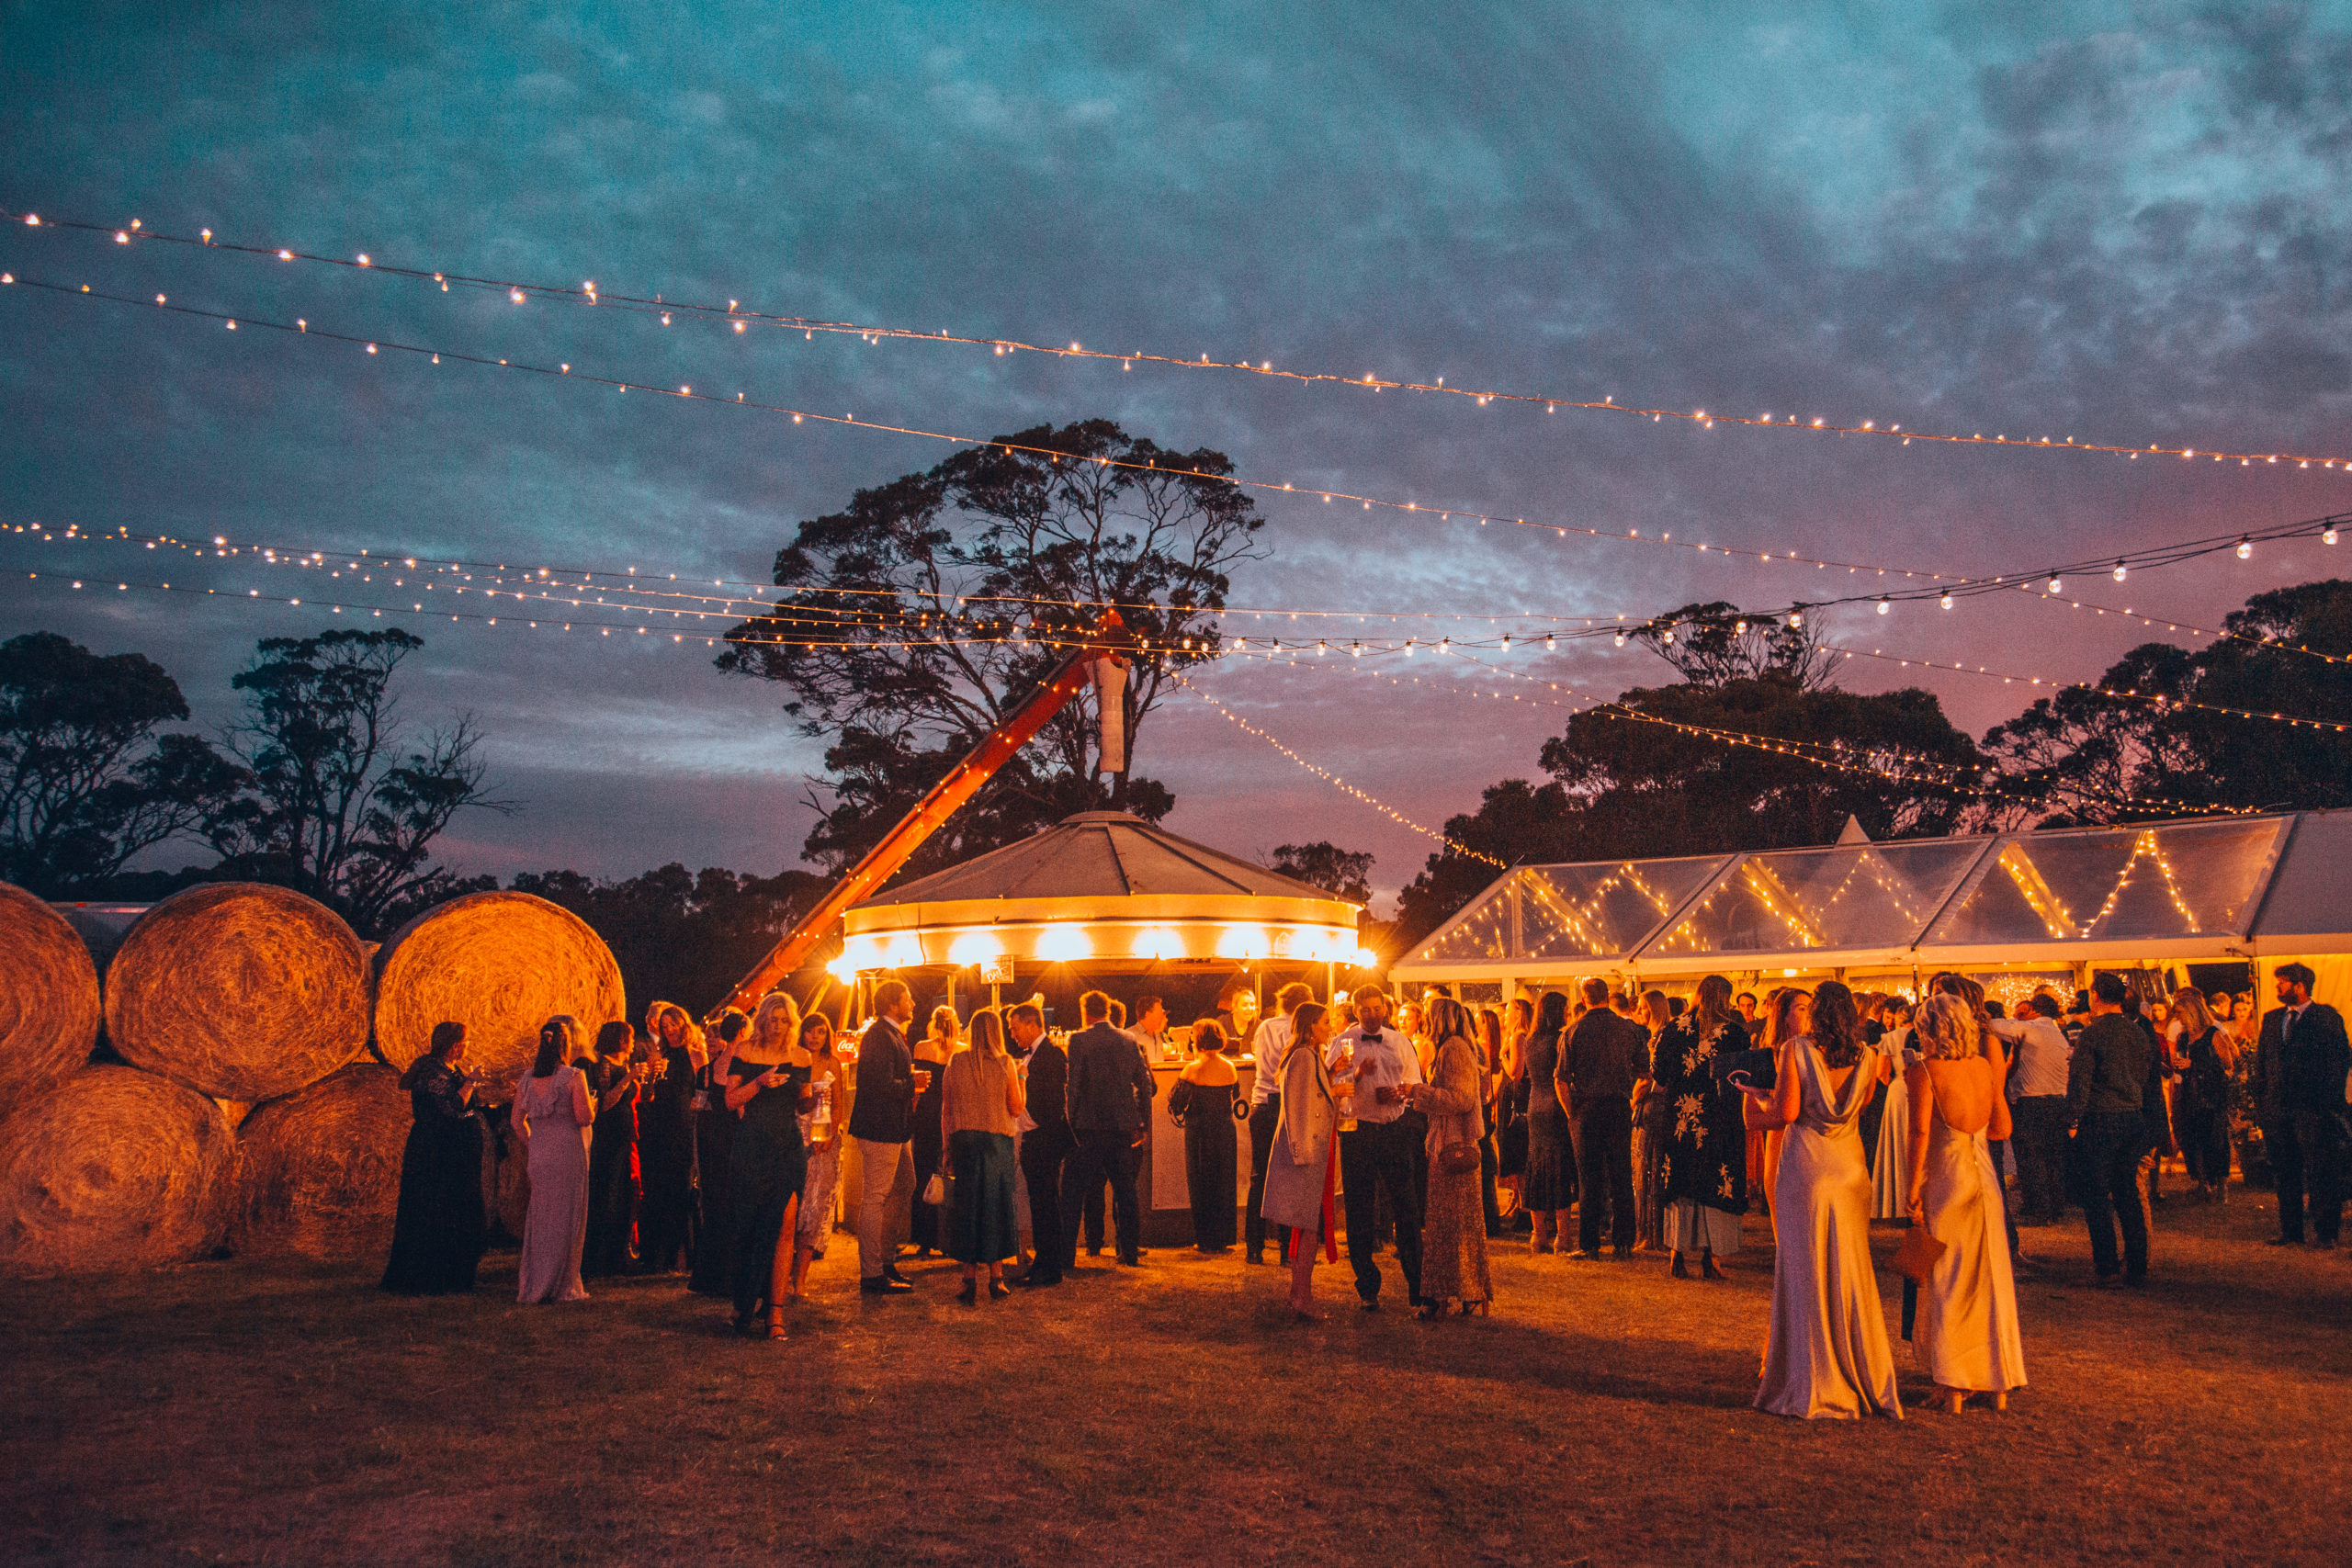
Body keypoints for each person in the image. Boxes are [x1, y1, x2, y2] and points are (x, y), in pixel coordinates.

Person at [1751, 984, 1900, 1420]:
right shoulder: (1868, 1057)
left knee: (1806, 1269)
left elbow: (1788, 1113)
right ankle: (1862, 1369)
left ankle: (1812, 1376)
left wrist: (1755, 1102)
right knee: (1851, 1269)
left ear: (1816, 1012)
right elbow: (1861, 1107)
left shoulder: (1795, 1049)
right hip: (1851, 1170)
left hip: (1808, 1168)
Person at [1904, 995, 2027, 1413]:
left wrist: (1911, 1187)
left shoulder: (1925, 1071)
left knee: (1949, 1277)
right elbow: (2002, 1127)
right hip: (1983, 1178)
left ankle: (1953, 1383)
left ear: (1929, 1030)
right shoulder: (1985, 1068)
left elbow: (1920, 1133)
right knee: (1990, 1275)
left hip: (1946, 1176)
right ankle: (1997, 1382)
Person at [723, 993, 813, 1338]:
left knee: (784, 1228)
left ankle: (775, 1314)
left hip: (787, 1149)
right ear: (762, 1020)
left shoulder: (800, 1056)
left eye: (784, 1019)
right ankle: (744, 1304)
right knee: (748, 1227)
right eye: (772, 1019)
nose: (778, 1025)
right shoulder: (745, 1051)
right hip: (751, 1147)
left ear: (792, 1022)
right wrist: (758, 1083)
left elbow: (802, 1105)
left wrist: (816, 1099)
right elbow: (730, 1101)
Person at [1330, 986, 1426, 1310]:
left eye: (1377, 1008)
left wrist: (1399, 1094)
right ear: (1355, 1011)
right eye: (1365, 1009)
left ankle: (1417, 1284)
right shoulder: (1342, 1043)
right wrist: (1356, 1075)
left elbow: (1415, 1084)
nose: (1372, 1014)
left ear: (1385, 1010)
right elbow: (1333, 1090)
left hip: (1394, 1130)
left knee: (1407, 1208)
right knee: (1359, 1210)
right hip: (1358, 1132)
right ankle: (1367, 1286)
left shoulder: (1400, 1041)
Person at [1653, 976, 1752, 1280]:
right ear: (1726, 998)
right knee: (1715, 1180)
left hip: (1681, 1116)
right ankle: (1713, 1256)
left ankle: (1676, 1253)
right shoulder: (1735, 1033)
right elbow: (1745, 1076)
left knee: (1682, 1181)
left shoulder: (1672, 1030)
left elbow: (1659, 1074)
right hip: (1720, 1118)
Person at [381, 1021, 490, 1294]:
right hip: (436, 1152)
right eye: (466, 1042)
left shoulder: (450, 1070)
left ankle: (455, 1271)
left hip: (456, 1152)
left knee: (459, 1208)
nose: (468, 1047)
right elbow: (451, 1107)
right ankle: (430, 1275)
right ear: (454, 1046)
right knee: (435, 1207)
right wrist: (471, 1083)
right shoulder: (431, 1072)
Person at [2253, 962, 2351, 1249]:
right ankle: (2291, 1230)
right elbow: (2263, 1063)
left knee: (2320, 1171)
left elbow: (2339, 1060)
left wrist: (2326, 1102)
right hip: (2278, 1110)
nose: (2278, 987)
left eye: (2283, 982)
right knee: (2285, 1172)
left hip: (2313, 1110)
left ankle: (2326, 1232)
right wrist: (2262, 1101)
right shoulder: (2272, 1020)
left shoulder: (2325, 1018)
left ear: (2299, 985)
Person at [1408, 998, 1493, 1319]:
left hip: (1453, 1145)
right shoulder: (1458, 1047)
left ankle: (1455, 1292)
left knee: (1450, 1225)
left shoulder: (1452, 1049)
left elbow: (1461, 1098)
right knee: (1457, 1224)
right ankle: (1465, 1290)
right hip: (1451, 1141)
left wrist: (1419, 1091)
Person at [1059, 989, 1156, 1269]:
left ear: (1085, 1012)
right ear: (1108, 1011)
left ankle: (1067, 1255)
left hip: (1088, 1128)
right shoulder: (1128, 1039)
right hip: (1120, 1127)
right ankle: (1129, 1252)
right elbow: (1145, 1082)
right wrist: (1143, 1122)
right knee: (1125, 1191)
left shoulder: (1078, 1040)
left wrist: (1071, 1120)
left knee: (1073, 1192)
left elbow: (1074, 1086)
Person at [2071, 973, 2155, 1286]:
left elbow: (2081, 1080)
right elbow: (2145, 1074)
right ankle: (2137, 1263)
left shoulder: (2093, 1034)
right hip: (2132, 1115)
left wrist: (2073, 1120)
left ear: (2095, 996)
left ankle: (2106, 1265)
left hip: (2101, 1117)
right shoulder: (2138, 1033)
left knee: (2096, 1194)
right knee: (2127, 1192)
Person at [942, 1008, 1025, 1302]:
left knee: (968, 1210)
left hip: (965, 1141)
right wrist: (1022, 1080)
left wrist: (946, 1145)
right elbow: (1016, 1108)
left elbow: (947, 1109)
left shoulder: (956, 1062)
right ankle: (996, 1277)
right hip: (996, 1143)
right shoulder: (1006, 1064)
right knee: (996, 1209)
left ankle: (967, 1279)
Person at [1262, 1000, 1339, 1320]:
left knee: (1307, 1225)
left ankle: (1299, 1292)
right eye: (1324, 1022)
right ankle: (1301, 1295)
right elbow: (1296, 1105)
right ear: (1309, 1025)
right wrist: (1301, 1152)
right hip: (1306, 1153)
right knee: (1307, 1226)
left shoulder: (1307, 1055)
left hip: (1310, 1151)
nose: (1329, 1027)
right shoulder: (1304, 1056)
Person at [1558, 976, 1644, 1260]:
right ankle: (1623, 1242)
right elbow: (1645, 1070)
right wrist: (1629, 1094)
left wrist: (1572, 1112)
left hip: (1586, 1109)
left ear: (1584, 999)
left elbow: (1560, 1078)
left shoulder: (1574, 1031)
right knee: (1621, 1175)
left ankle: (1590, 1243)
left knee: (1589, 1178)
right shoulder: (1627, 1029)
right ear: (1608, 996)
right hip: (1619, 1106)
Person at [513, 1017, 594, 1304]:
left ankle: (535, 1281)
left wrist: (534, 1141)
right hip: (568, 1153)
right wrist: (592, 1105)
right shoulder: (573, 1076)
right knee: (567, 1218)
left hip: (540, 1154)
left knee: (542, 1217)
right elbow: (584, 1117)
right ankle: (562, 1284)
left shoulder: (527, 1079)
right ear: (566, 1045)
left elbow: (516, 1121)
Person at [849, 978, 922, 1295]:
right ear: (893, 1004)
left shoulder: (892, 1034)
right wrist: (912, 1083)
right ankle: (872, 1272)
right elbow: (878, 1086)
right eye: (908, 999)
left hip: (896, 1129)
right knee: (876, 1197)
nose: (913, 1005)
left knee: (905, 1184)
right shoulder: (879, 1035)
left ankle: (886, 1259)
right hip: (880, 1129)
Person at [1987, 994, 2073, 1224]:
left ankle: (2039, 1210)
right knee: (2053, 1157)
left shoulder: (2032, 1030)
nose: (2018, 1017)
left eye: (2022, 1013)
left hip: (2032, 1102)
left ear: (2034, 1010)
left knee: (2030, 1157)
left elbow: (1993, 1025)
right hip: (2058, 1102)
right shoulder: (2058, 1035)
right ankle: (2054, 1207)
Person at [1245, 982, 1313, 1264]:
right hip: (1289, 1105)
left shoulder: (1264, 1027)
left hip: (1261, 1102)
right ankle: (1288, 1249)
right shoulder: (1301, 1030)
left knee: (1260, 1177)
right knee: (1289, 1178)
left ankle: (1254, 1248)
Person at [638, 1002, 703, 1275]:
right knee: (658, 1188)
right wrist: (651, 1077)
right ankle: (657, 1254)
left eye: (673, 1024)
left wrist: (695, 1108)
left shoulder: (696, 1055)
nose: (669, 1030)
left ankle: (683, 1253)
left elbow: (704, 1089)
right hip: (659, 1127)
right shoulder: (657, 1055)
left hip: (684, 1127)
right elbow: (646, 1096)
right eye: (664, 1026)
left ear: (684, 1024)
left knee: (682, 1188)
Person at [687, 1010, 748, 1298]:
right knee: (737, 1204)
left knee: (714, 1204)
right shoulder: (743, 1066)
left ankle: (709, 1275)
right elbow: (740, 1108)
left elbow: (698, 1105)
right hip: (734, 1138)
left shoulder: (707, 1070)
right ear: (743, 1031)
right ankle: (735, 1276)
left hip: (710, 1139)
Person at [1009, 1004, 1070, 1287]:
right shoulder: (1035, 1055)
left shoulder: (1052, 1055)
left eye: (1015, 1027)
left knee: (1046, 1204)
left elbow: (1052, 1101)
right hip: (1036, 1137)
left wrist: (1025, 1113)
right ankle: (1044, 1265)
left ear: (1033, 1025)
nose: (1012, 1034)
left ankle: (1050, 1268)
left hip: (1044, 1138)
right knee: (1039, 1204)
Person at [577, 1021, 643, 1279]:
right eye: (631, 1037)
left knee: (627, 1195)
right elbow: (605, 1103)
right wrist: (628, 1078)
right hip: (609, 1140)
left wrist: (644, 1080)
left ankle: (620, 1254)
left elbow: (640, 1098)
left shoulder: (624, 1066)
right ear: (619, 1040)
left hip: (625, 1139)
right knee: (608, 1195)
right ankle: (600, 1258)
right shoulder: (603, 1066)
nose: (633, 1042)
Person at [1169, 1019, 1240, 1252]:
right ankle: (1223, 1237)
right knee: (1224, 1182)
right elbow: (1235, 1094)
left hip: (1200, 1132)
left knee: (1201, 1183)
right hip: (1225, 1130)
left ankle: (1206, 1238)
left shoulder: (1193, 1069)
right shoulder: (1230, 1066)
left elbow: (1177, 1104)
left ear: (1197, 1039)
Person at [788, 1010, 844, 1298]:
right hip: (797, 1136)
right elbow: (796, 1107)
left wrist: (829, 1135)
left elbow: (840, 1106)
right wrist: (811, 1099)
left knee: (815, 1208)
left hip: (825, 1141)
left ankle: (801, 1278)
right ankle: (783, 1269)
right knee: (794, 1206)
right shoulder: (794, 1060)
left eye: (821, 1032)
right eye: (810, 1031)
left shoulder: (833, 1062)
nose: (814, 1037)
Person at [1521, 990, 1577, 1253]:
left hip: (1535, 1105)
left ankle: (1537, 1234)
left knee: (1536, 1167)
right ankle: (1563, 1236)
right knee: (1559, 1169)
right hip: (1554, 1106)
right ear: (1557, 1011)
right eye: (1565, 1009)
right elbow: (1563, 1076)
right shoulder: (1560, 1040)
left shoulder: (1530, 1040)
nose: (1568, 1013)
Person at [2166, 987, 2235, 1203]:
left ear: (2191, 1012)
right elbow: (2179, 1062)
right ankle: (2202, 1183)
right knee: (2193, 1137)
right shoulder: (2183, 1037)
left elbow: (2227, 1063)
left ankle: (2222, 1185)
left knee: (2215, 1139)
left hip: (2211, 1094)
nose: (2177, 1017)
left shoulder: (2212, 1034)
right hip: (2189, 1092)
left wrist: (2195, 1064)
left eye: (2179, 1012)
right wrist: (2178, 1068)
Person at [908, 1005, 957, 1259]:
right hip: (950, 1112)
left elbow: (917, 1085)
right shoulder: (960, 1050)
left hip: (927, 1113)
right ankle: (949, 1238)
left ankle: (924, 1238)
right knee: (950, 1174)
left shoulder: (921, 1047)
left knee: (924, 1172)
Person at [1631, 989, 1673, 1253]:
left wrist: (1633, 1098)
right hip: (1652, 1107)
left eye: (1644, 1008)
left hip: (1655, 1108)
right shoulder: (1652, 1036)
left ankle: (1651, 1233)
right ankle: (1649, 1231)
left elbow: (1651, 1078)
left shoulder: (1661, 1038)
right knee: (1646, 1169)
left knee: (1649, 1170)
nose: (1639, 1013)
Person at [1496, 995, 1532, 1227]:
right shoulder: (1519, 1036)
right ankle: (1520, 1205)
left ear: (1518, 1013)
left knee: (1518, 1155)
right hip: (1515, 1097)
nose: (1505, 1015)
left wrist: (1502, 1056)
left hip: (1516, 1099)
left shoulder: (1519, 1037)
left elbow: (1515, 1073)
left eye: (1508, 1011)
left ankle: (1524, 1210)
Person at [1475, 1007, 1508, 1236]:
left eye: (1481, 1022)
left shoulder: (1481, 1048)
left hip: (1486, 1107)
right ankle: (1491, 1215)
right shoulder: (1485, 1046)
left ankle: (1489, 1217)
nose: (1478, 1025)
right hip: (1489, 1107)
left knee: (1485, 1162)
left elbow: (1490, 1082)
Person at [1132, 994, 1172, 1062]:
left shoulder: (1157, 1036)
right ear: (1147, 1014)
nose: (1164, 1019)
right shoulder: (1131, 1037)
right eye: (1160, 1013)